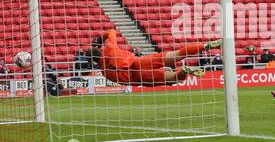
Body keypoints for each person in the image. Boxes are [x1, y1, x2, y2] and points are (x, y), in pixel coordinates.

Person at [87, 29, 222, 86]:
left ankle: (184, 71)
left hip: (138, 78)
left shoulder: (104, 72)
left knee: (172, 79)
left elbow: (122, 82)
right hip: (139, 62)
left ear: (93, 61)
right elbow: (111, 31)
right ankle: (205, 45)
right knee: (178, 54)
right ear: (100, 49)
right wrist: (100, 38)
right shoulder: (110, 48)